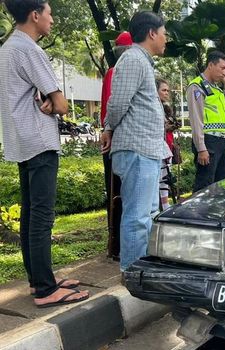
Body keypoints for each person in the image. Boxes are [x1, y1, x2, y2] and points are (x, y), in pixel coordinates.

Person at [0, 0, 89, 307]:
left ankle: (39, 279)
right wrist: (53, 102)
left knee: (30, 214)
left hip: (21, 141)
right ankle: (45, 288)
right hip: (39, 140)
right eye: (50, 14)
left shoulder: (8, 48)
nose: (52, 20)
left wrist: (47, 99)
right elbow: (62, 104)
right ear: (35, 15)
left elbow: (37, 96)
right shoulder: (29, 49)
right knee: (41, 216)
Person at [100, 11, 170, 272]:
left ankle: (142, 269)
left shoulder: (142, 61)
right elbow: (116, 104)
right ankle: (131, 273)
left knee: (148, 214)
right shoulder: (132, 60)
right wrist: (109, 127)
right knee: (138, 217)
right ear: (151, 33)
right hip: (137, 150)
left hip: (146, 151)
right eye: (164, 34)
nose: (166, 39)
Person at [186, 51, 225, 192]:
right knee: (204, 185)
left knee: (223, 184)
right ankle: (198, 214)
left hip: (222, 141)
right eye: (223, 68)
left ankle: (215, 213)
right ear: (211, 65)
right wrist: (201, 148)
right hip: (208, 142)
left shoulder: (217, 90)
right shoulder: (197, 87)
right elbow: (196, 119)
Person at [100, 31, 133, 261]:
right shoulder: (117, 71)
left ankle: (119, 243)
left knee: (121, 194)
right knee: (118, 195)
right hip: (117, 141)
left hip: (117, 140)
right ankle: (117, 244)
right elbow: (115, 107)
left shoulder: (116, 71)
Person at [156, 78, 179, 210]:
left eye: (167, 91)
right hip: (157, 148)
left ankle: (165, 204)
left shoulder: (165, 109)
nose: (166, 93)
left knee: (165, 177)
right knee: (158, 178)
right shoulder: (153, 107)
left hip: (167, 147)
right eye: (163, 90)